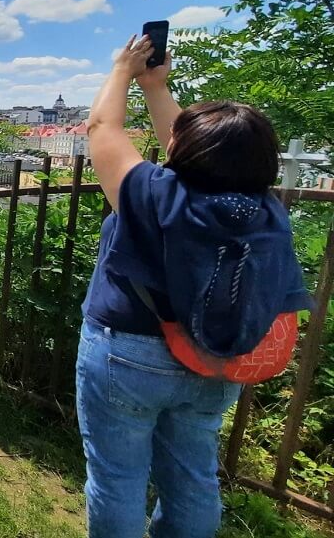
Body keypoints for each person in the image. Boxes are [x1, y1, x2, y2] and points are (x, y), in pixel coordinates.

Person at [78, 37, 310, 538]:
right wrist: (157, 88)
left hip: (130, 351)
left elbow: (101, 127)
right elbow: (190, 152)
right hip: (216, 360)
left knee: (118, 479)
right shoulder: (265, 212)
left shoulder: (152, 195)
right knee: (191, 477)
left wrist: (122, 70)